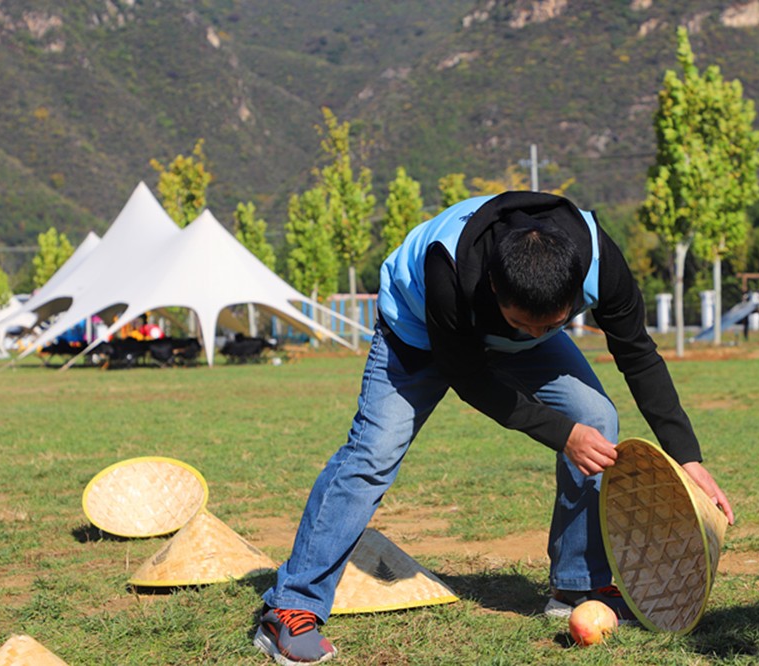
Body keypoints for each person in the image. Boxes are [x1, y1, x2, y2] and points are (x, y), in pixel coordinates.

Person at [254, 191, 734, 664]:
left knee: (595, 417)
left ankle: (577, 586)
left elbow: (637, 354)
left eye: (552, 324)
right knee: (372, 455)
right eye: (522, 322)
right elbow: (469, 378)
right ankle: (291, 606)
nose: (535, 332)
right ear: (494, 288)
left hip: (509, 339)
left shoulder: (599, 260)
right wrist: (561, 434)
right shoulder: (448, 268)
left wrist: (687, 456)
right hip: (417, 333)